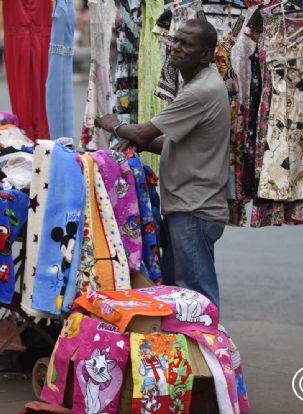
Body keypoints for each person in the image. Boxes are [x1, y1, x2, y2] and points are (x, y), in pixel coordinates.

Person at [95, 19, 230, 314]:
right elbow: (171, 144)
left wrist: (114, 125)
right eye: (176, 41)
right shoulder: (196, 84)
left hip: (195, 209)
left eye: (186, 44)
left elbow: (143, 133)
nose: (176, 48)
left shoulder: (200, 91)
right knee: (176, 291)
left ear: (206, 54)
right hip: (186, 207)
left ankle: (213, 354)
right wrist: (139, 143)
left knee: (197, 296)